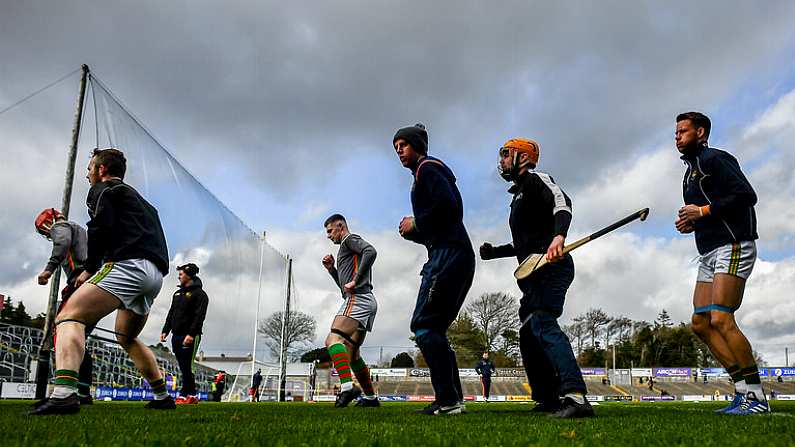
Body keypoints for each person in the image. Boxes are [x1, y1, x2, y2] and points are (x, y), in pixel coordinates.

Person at [31, 148, 174, 415]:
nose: (87, 175)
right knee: (126, 335)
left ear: (101, 170)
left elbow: (99, 228)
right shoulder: (145, 203)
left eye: (89, 169)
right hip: (154, 275)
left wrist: (89, 268)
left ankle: (63, 394)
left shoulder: (103, 190)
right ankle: (162, 395)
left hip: (127, 266)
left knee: (69, 318)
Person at [480, 138, 593, 418]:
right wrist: (495, 252)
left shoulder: (536, 179)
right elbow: (523, 245)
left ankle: (576, 397)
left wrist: (559, 236)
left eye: (507, 154)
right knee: (528, 334)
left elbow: (562, 203)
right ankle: (547, 399)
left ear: (523, 156)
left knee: (542, 322)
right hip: (532, 273)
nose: (502, 160)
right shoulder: (517, 197)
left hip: (553, 266)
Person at [674, 112, 768, 415]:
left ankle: (756, 397)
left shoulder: (716, 159)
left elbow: (745, 195)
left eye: (683, 131)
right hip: (709, 252)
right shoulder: (690, 173)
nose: (677, 136)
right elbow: (707, 212)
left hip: (734, 245)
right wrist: (693, 223)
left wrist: (702, 212)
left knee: (721, 318)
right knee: (700, 323)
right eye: (676, 132)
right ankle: (741, 390)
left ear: (701, 133)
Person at [394, 123, 475, 415]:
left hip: (449, 256)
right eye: (396, 148)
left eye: (403, 145)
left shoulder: (428, 168)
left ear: (416, 145)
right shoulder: (425, 173)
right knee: (435, 328)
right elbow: (442, 222)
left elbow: (450, 208)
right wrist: (415, 232)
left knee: (424, 326)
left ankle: (448, 400)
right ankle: (454, 398)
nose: (399, 151)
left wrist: (416, 223)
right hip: (452, 253)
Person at [33, 208, 94, 405]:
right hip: (92, 279)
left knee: (64, 332)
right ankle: (83, 391)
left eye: (44, 232)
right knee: (78, 337)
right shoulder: (80, 230)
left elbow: (62, 242)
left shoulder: (61, 227)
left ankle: (64, 391)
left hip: (79, 280)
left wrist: (48, 270)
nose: (47, 235)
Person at [322, 214, 380, 407]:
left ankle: (347, 388)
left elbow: (370, 251)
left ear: (340, 226)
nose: (329, 236)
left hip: (359, 298)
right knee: (353, 354)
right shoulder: (346, 248)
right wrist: (332, 270)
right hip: (367, 300)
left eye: (330, 231)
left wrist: (356, 280)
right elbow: (343, 287)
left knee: (332, 340)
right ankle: (371, 398)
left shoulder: (349, 240)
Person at [160, 263, 209, 405]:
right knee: (183, 366)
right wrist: (165, 330)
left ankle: (183, 395)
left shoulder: (200, 295)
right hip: (176, 335)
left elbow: (199, 317)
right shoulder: (177, 294)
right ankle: (192, 395)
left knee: (187, 366)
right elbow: (171, 313)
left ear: (189, 275)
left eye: (181, 274)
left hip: (190, 336)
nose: (179, 276)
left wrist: (191, 334)